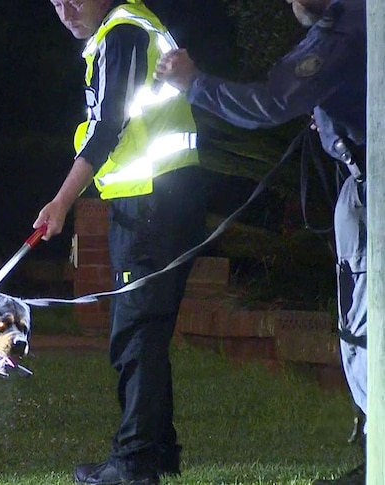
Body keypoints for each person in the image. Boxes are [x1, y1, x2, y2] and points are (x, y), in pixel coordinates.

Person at [155, 0, 366, 484]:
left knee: (364, 322)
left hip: (370, 192)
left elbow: (269, 102)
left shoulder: (345, 26)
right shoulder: (358, 21)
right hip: (360, 182)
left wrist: (193, 82)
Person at [35, 1, 209, 483]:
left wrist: (62, 201)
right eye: (55, 2)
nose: (66, 10)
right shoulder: (125, 30)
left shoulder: (124, 33)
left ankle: (134, 463)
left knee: (135, 333)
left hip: (153, 205)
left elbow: (109, 126)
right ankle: (153, 453)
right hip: (158, 200)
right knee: (145, 332)